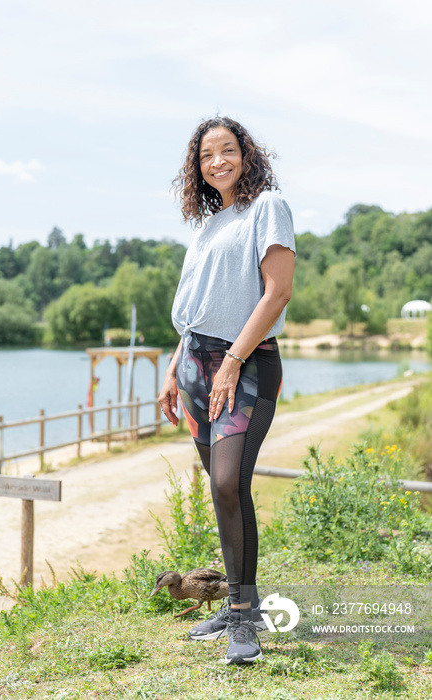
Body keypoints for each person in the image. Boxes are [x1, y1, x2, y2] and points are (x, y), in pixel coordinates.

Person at [158, 116, 295, 665]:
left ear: (246, 153)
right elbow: (194, 311)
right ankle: (238, 601)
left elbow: (278, 293)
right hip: (194, 364)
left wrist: (233, 361)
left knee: (228, 480)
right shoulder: (208, 225)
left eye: (227, 150)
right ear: (198, 167)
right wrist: (174, 368)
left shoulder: (269, 207)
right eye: (206, 155)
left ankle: (245, 619)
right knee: (220, 489)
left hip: (245, 363)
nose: (218, 161)